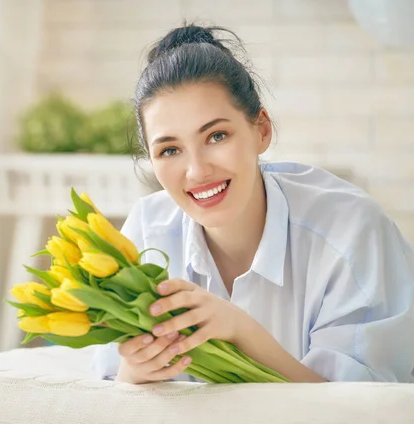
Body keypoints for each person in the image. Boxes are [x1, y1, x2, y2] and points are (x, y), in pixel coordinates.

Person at [91, 23, 414, 384]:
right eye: (170, 150)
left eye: (216, 135)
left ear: (261, 129)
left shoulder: (350, 230)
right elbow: (109, 389)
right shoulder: (146, 233)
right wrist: (133, 373)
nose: (197, 171)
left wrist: (243, 332)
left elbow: (365, 410)